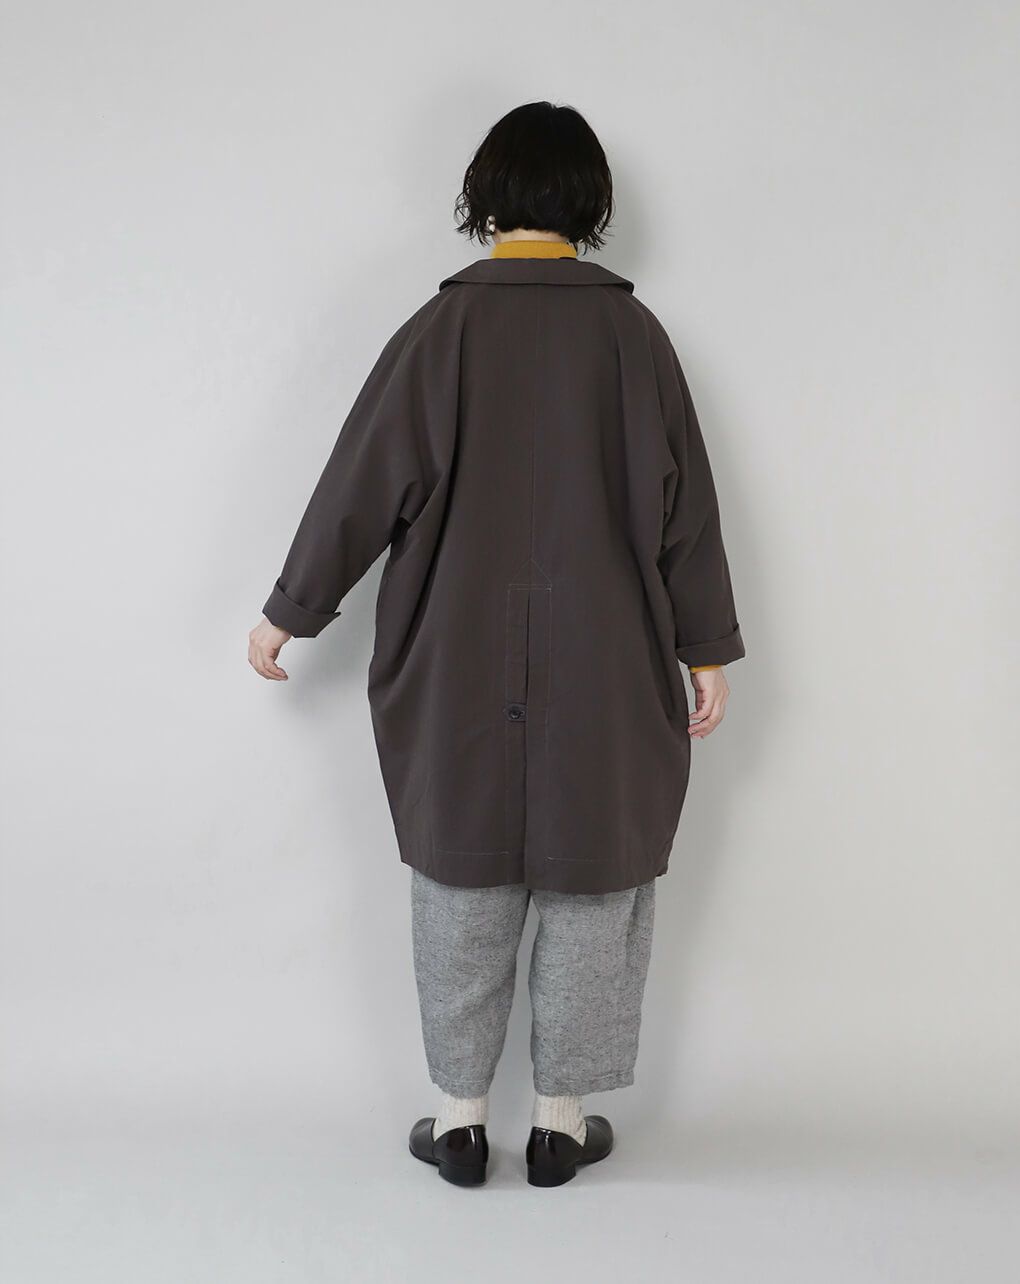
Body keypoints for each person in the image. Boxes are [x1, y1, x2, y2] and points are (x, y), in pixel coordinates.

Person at [248, 101, 744, 1188]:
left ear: (484, 196)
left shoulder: (440, 331)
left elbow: (358, 487)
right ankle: (560, 1127)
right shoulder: (635, 338)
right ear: (589, 204)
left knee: (460, 879)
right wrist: (704, 646)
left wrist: (290, 610)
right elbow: (688, 515)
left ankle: (459, 1122)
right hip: (608, 662)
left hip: (455, 661)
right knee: (592, 883)